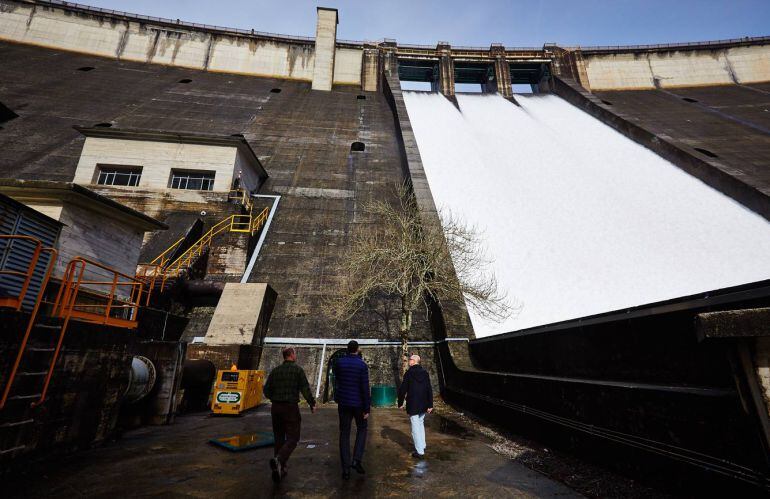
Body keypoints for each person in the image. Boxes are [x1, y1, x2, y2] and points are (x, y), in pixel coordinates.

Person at [262, 347, 316, 483]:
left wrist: (274, 398)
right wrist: (311, 403)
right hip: (290, 408)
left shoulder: (275, 371)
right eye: (295, 353)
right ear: (291, 355)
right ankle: (279, 459)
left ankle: (280, 469)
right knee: (293, 437)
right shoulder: (297, 370)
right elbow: (305, 388)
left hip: (276, 408)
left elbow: (266, 390)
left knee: (279, 437)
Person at [333, 340, 371, 480]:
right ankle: (356, 460)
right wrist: (367, 408)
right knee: (362, 429)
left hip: (343, 403)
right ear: (357, 350)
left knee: (344, 433)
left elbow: (336, 381)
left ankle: (345, 469)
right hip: (358, 403)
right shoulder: (362, 365)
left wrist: (337, 397)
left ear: (347, 350)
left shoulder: (339, 363)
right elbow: (365, 388)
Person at [397, 354, 433, 459]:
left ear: (414, 361)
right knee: (420, 424)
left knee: (415, 428)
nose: (408, 361)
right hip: (423, 403)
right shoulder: (425, 373)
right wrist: (430, 404)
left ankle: (420, 451)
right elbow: (429, 389)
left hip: (413, 404)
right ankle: (423, 445)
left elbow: (403, 389)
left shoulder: (409, 373)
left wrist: (400, 403)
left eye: (410, 360)